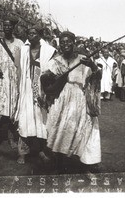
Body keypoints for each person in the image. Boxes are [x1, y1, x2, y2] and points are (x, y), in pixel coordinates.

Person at [41, 31, 102, 176]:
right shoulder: (56, 61)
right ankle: (60, 164)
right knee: (60, 130)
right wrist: (48, 76)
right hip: (62, 100)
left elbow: (98, 76)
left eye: (69, 42)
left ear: (74, 43)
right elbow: (45, 78)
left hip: (80, 100)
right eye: (62, 42)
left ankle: (85, 167)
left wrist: (92, 66)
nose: (65, 45)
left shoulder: (83, 60)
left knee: (83, 131)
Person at [14, 25, 56, 164]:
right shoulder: (23, 49)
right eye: (29, 33)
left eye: (34, 33)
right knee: (25, 119)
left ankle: (42, 150)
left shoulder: (49, 51)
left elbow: (54, 69)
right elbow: (18, 68)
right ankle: (22, 152)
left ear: (40, 35)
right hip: (26, 87)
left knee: (42, 120)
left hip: (41, 88)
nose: (30, 35)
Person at [0, 17, 24, 150]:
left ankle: (11, 137)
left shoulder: (20, 44)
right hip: (0, 82)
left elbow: (24, 62)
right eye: (5, 25)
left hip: (13, 82)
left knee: (12, 108)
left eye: (9, 26)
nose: (7, 28)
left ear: (13, 28)